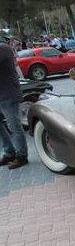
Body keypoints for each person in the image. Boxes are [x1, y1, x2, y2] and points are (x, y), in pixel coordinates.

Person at [0, 37, 28, 169]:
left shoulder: (3, 48)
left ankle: (21, 155)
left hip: (7, 95)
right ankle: (9, 152)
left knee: (14, 126)